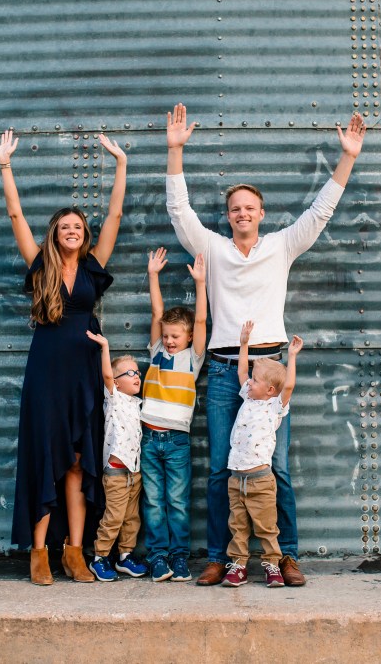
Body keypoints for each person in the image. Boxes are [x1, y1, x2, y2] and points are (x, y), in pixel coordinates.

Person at [165, 102, 366, 587]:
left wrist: (348, 157)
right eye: (235, 208)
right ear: (228, 216)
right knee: (220, 469)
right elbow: (179, 211)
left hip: (272, 369)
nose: (242, 213)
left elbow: (320, 212)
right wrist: (175, 151)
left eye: (249, 208)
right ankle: (220, 557)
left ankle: (286, 556)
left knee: (277, 468)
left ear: (261, 214)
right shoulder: (211, 247)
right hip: (223, 370)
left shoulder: (281, 246)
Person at [0, 127, 128, 585]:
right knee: (44, 458)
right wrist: (5, 166)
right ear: (55, 234)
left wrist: (121, 165)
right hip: (47, 372)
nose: (72, 231)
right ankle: (39, 553)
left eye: (78, 227)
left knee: (77, 461)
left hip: (85, 373)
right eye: (64, 226)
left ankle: (74, 552)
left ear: (84, 234)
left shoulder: (93, 265)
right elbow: (15, 213)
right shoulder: (41, 265)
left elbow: (114, 214)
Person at [140, 247, 207, 582]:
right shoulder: (156, 351)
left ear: (189, 337)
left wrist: (201, 283)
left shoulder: (192, 359)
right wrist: (152, 275)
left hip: (178, 440)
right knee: (153, 502)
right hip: (149, 438)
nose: (168, 340)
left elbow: (201, 319)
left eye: (175, 336)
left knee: (177, 502)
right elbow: (157, 312)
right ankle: (158, 558)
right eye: (166, 335)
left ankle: (180, 558)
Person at [222, 323, 302, 588]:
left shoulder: (274, 407)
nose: (249, 382)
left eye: (255, 381)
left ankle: (272, 564)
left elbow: (288, 386)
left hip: (261, 481)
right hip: (236, 479)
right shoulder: (248, 398)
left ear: (269, 390)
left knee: (267, 527)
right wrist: (244, 344)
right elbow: (242, 371)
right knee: (238, 527)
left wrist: (291, 357)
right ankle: (238, 565)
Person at [83, 331, 150, 582]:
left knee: (131, 518)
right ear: (117, 382)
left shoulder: (136, 404)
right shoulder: (114, 400)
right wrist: (105, 347)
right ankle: (99, 557)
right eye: (130, 373)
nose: (137, 376)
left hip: (134, 473)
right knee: (113, 517)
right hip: (116, 474)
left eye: (138, 372)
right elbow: (107, 375)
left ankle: (125, 556)